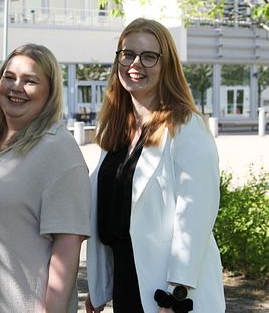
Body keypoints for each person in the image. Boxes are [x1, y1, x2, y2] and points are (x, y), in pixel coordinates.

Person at [85, 18, 225, 313]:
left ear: (167, 66)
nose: (136, 64)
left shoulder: (186, 126)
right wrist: (101, 287)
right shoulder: (117, 130)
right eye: (128, 54)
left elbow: (195, 217)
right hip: (128, 282)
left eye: (149, 56)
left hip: (168, 293)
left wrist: (176, 294)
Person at [0, 43, 90, 313]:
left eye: (30, 81)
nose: (16, 87)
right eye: (9, 77)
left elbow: (68, 248)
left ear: (49, 92)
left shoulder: (58, 149)